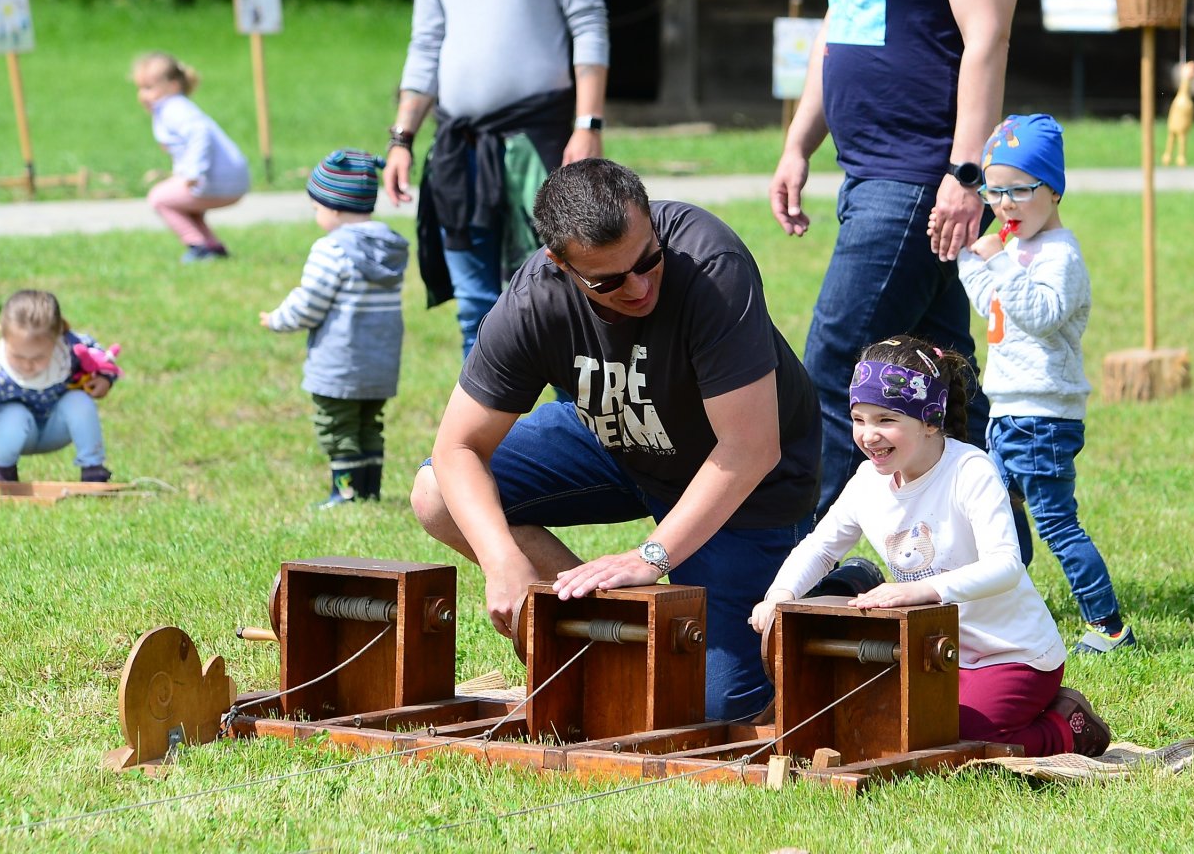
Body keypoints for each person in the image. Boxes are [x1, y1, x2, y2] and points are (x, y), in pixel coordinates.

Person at [411, 159, 820, 722]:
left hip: (745, 484)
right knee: (437, 494)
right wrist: (502, 559)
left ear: (651, 222)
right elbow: (457, 449)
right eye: (608, 281)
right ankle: (597, 648)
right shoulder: (535, 297)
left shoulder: (710, 264)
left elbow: (750, 448)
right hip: (618, 440)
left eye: (648, 261)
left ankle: (825, 593)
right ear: (560, 264)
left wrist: (649, 556)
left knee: (715, 712)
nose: (640, 286)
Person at [768, 0, 1022, 522]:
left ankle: (811, 579)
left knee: (835, 367)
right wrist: (798, 143)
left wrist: (965, 174)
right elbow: (840, 26)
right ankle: (1002, 558)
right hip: (867, 173)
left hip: (917, 180)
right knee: (946, 381)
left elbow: (988, 41)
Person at [750, 337, 1112, 757]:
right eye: (859, 418)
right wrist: (780, 595)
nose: (869, 435)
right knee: (894, 728)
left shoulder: (969, 470)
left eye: (886, 419)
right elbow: (820, 548)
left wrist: (918, 590)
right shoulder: (868, 482)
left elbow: (1006, 565)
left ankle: (1067, 726)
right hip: (934, 653)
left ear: (930, 421)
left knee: (956, 746)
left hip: (1011, 652)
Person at [381, 0, 610, 358]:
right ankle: (479, 450)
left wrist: (588, 123)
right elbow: (426, 41)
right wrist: (402, 137)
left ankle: (572, 443)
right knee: (474, 312)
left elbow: (589, 24)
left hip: (540, 143)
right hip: (459, 151)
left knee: (563, 306)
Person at [960, 113, 1135, 654]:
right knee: (1001, 521)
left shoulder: (1061, 254)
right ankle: (1012, 610)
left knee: (1057, 524)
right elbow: (993, 308)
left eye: (1019, 191)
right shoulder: (1013, 249)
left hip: (1044, 416)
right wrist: (970, 258)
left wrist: (1001, 265)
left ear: (1053, 190)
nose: (1005, 205)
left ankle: (1108, 626)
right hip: (1006, 410)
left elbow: (1039, 313)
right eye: (995, 192)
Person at [260, 150, 410, 508]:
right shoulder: (388, 246)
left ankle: (344, 493)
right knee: (369, 424)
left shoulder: (331, 249)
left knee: (336, 426)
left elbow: (310, 302)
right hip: (380, 363)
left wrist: (277, 319)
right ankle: (369, 491)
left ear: (335, 207)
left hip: (340, 361)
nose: (316, 215)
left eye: (316, 208)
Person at [0, 289, 117, 483]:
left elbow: (101, 357)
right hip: (17, 436)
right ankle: (4, 474)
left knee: (79, 401)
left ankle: (93, 470)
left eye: (38, 357)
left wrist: (105, 379)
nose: (27, 365)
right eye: (18, 356)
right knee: (12, 413)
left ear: (58, 338)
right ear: (2, 334)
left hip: (57, 429)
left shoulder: (70, 351)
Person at [133, 52, 250, 262]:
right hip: (234, 177)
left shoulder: (173, 108)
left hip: (218, 179)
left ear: (174, 85)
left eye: (149, 88)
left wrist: (194, 171)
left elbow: (199, 132)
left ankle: (198, 246)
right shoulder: (174, 107)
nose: (143, 95)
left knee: (159, 199)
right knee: (182, 204)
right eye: (140, 88)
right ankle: (214, 247)